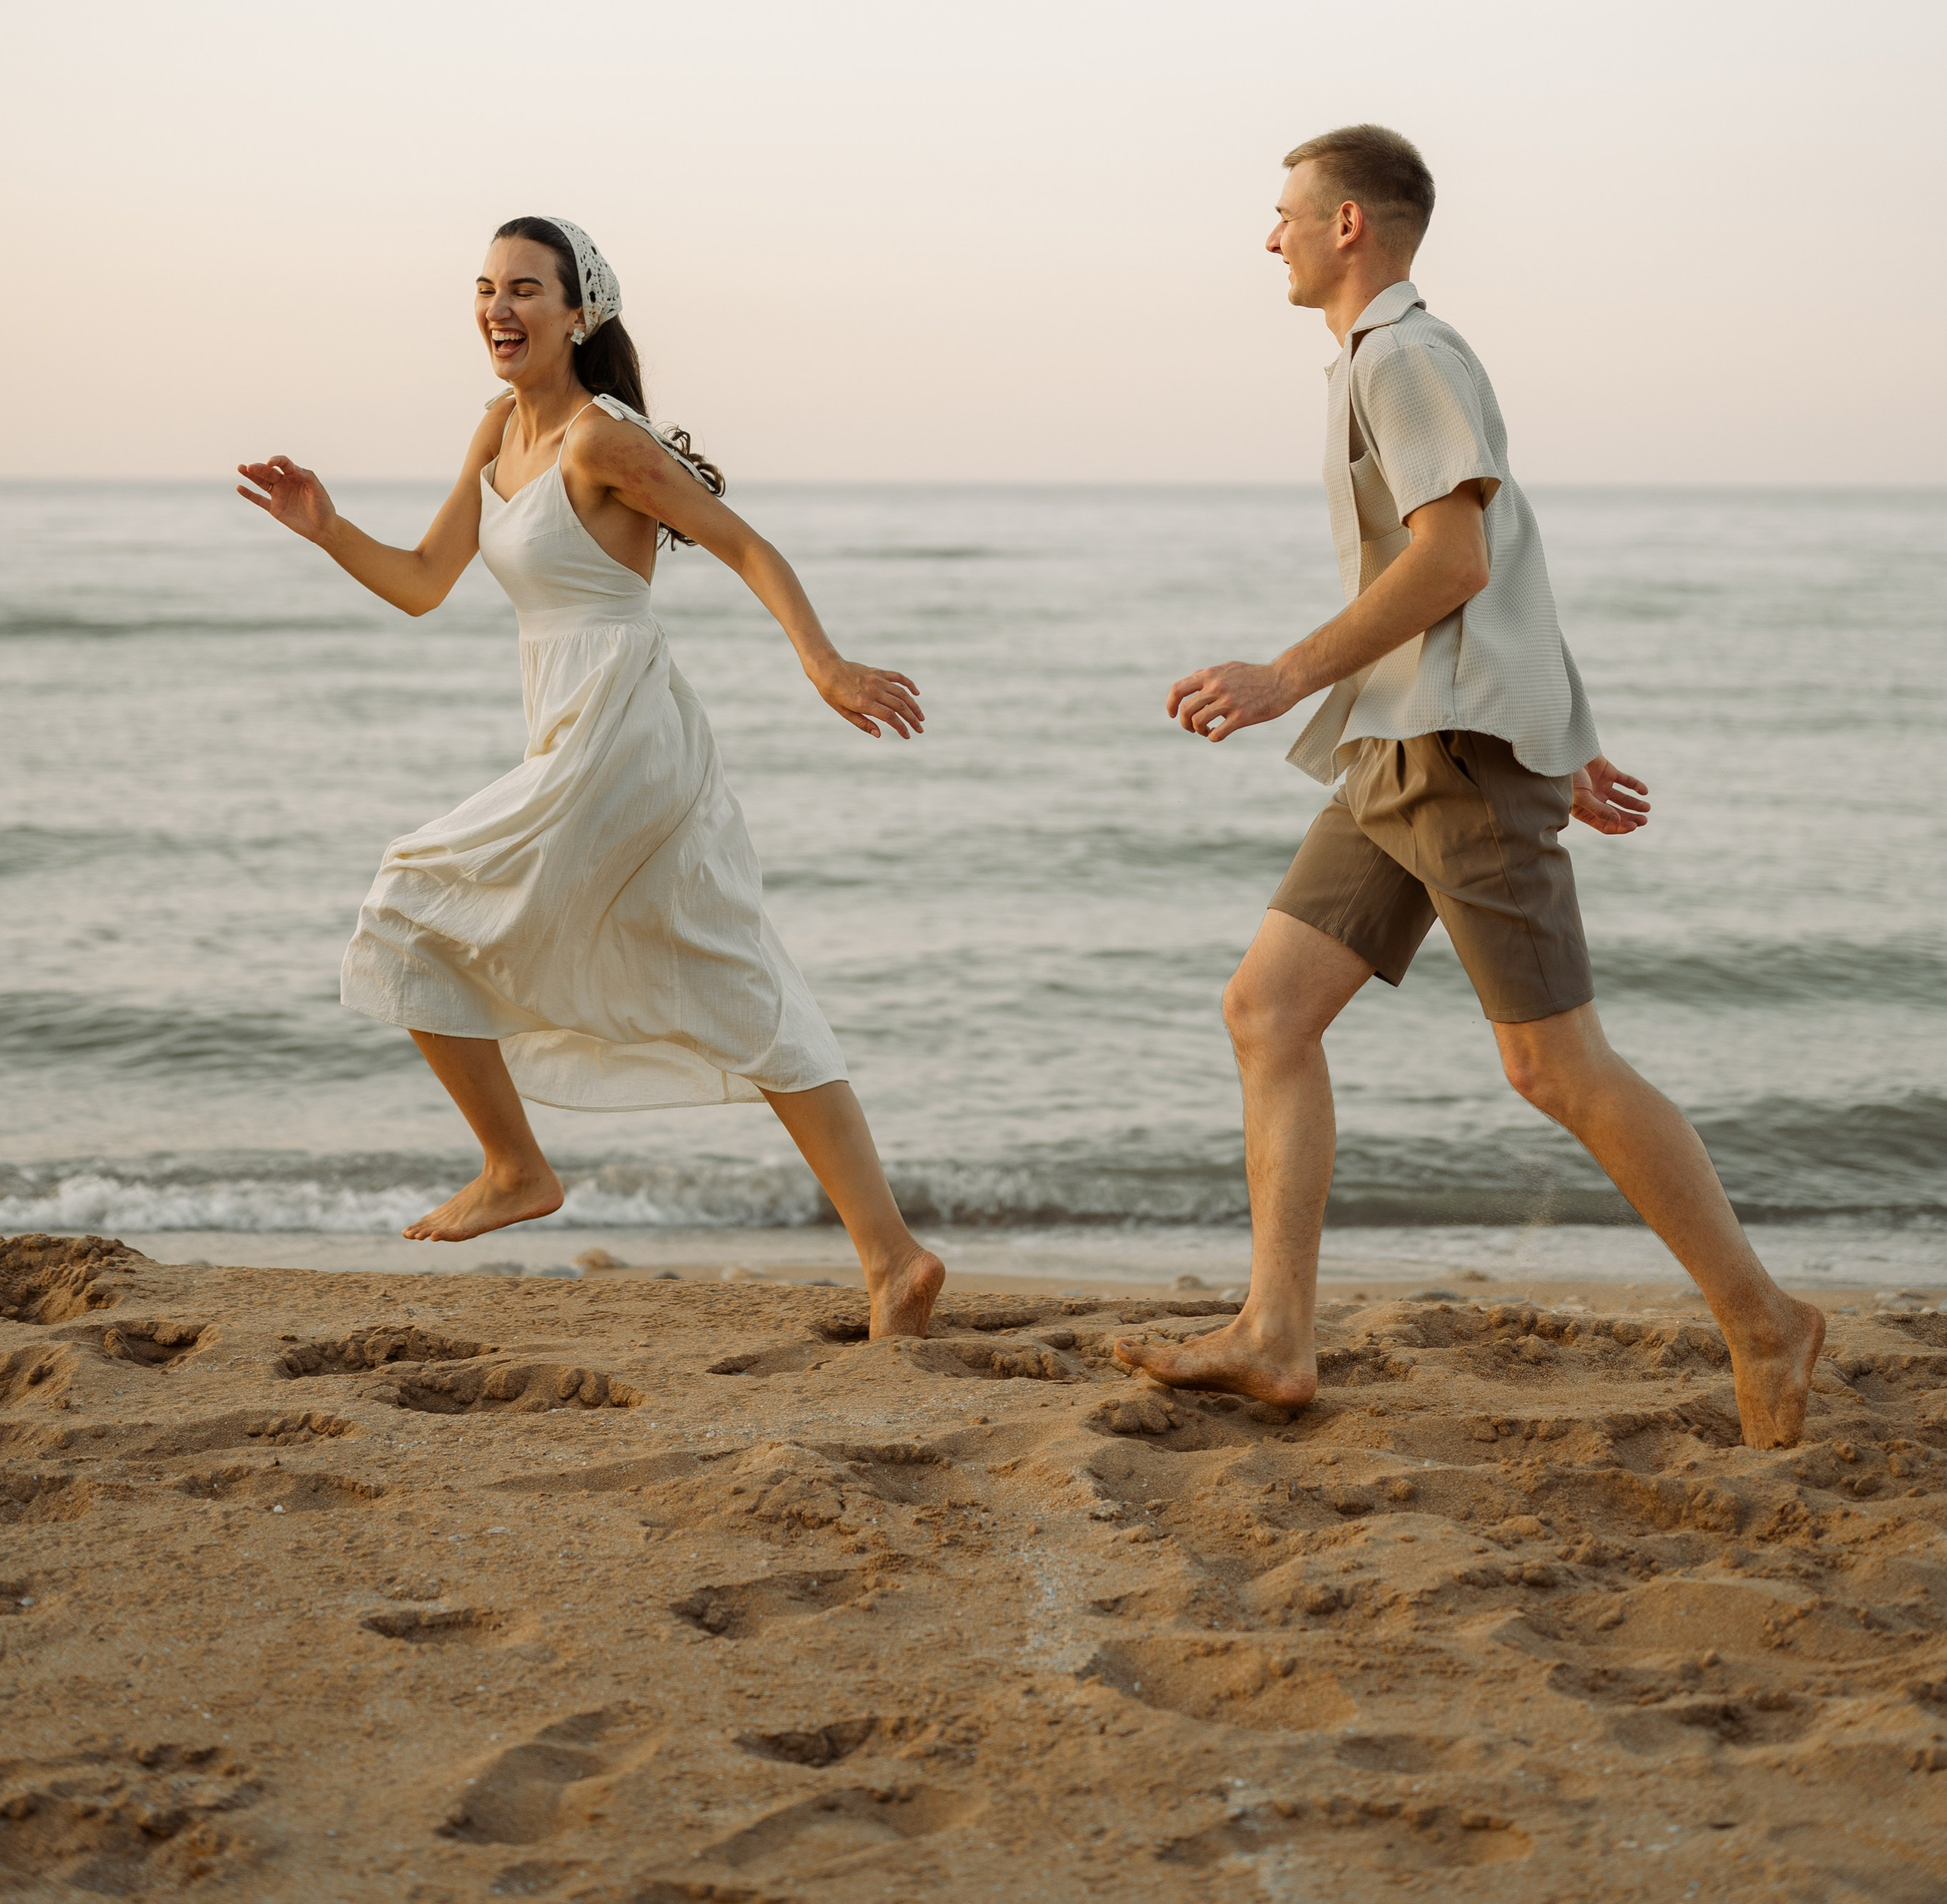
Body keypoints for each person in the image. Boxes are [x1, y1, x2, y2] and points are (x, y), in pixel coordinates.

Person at [1116, 126, 1824, 1448]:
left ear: (1348, 228)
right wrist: (1576, 730)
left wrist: (1281, 676)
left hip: (1447, 757)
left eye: (1284, 214)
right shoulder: (1382, 362)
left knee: (1553, 1065)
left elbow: (1459, 564)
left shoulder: (1409, 355)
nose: (1267, 237)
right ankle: (1275, 1336)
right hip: (1399, 745)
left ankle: (1765, 1316)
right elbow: (1514, 555)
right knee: (1267, 1010)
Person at [237, 214, 943, 1339]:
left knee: (409, 895)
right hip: (575, 733)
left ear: (579, 313)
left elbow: (747, 544)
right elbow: (425, 582)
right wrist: (326, 528)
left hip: (623, 734)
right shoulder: (496, 433)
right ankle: (894, 1260)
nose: (497, 309)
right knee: (733, 980)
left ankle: (517, 1166)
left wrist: (824, 663)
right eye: (484, 289)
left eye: (525, 290)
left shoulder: (599, 441)